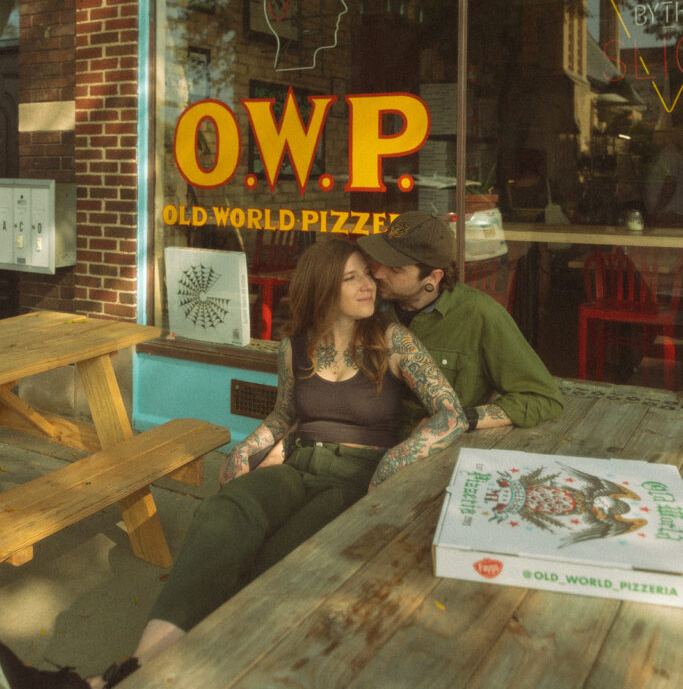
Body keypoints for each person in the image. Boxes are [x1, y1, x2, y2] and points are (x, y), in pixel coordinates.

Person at [0, 237, 466, 689]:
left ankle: (150, 673)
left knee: (279, 557)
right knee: (224, 514)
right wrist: (245, 450)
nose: (369, 285)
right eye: (352, 278)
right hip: (300, 464)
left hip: (359, 477)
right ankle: (139, 665)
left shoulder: (393, 340)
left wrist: (394, 461)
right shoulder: (295, 348)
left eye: (367, 275)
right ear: (324, 288)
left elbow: (451, 413)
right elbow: (284, 414)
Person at [360, 211, 563, 432]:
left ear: (433, 278)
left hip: (433, 448)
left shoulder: (480, 315)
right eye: (379, 261)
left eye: (395, 270)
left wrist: (459, 419)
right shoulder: (365, 302)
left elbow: (542, 397)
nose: (378, 274)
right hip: (363, 439)